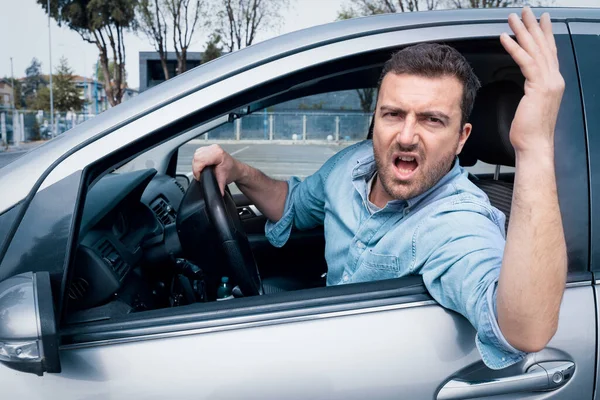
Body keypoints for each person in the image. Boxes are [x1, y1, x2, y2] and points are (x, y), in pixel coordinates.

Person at [191, 7, 566, 370]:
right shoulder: (351, 164)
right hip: (319, 347)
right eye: (393, 114)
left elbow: (524, 329)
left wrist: (533, 147)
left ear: (461, 138)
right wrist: (237, 169)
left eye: (432, 120)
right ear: (377, 118)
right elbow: (291, 203)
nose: (405, 136)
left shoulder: (458, 220)